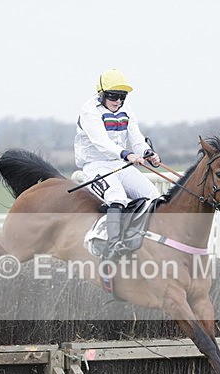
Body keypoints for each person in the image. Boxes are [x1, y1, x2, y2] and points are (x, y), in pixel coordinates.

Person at [74, 69, 161, 260]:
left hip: (120, 164)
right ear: (102, 94)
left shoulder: (126, 110)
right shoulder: (89, 111)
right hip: (95, 166)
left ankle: (142, 241)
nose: (118, 101)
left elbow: (136, 138)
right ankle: (112, 247)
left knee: (154, 196)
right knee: (117, 197)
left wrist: (148, 153)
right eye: (114, 96)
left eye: (122, 96)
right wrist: (127, 154)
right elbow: (101, 142)